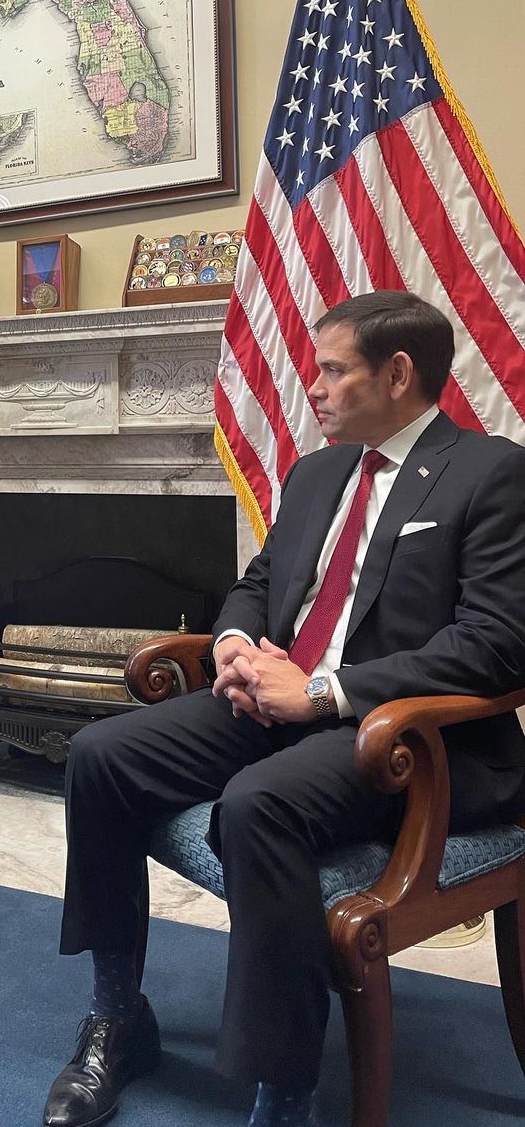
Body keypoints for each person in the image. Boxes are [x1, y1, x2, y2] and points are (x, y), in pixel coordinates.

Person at [44, 291, 525, 1127]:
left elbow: (496, 645)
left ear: (398, 374)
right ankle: (120, 1016)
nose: (313, 385)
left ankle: (284, 1092)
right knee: (101, 754)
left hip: (403, 735)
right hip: (282, 701)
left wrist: (321, 693)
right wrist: (235, 645)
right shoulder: (319, 472)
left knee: (256, 805)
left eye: (333, 370)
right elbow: (261, 583)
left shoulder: (490, 473)